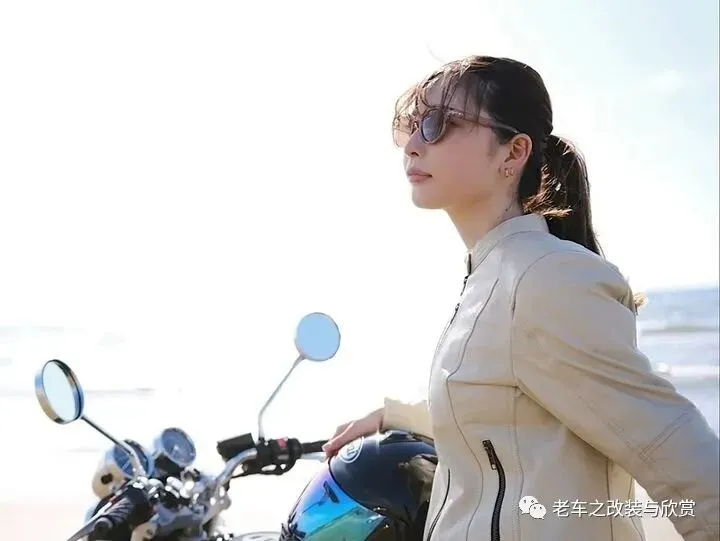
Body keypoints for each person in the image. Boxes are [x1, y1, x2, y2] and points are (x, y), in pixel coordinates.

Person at [321, 55, 720, 541]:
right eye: (413, 125)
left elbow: (673, 449)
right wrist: (394, 416)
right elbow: (500, 413)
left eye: (439, 123)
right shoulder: (493, 274)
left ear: (513, 153)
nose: (414, 144)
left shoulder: (543, 277)